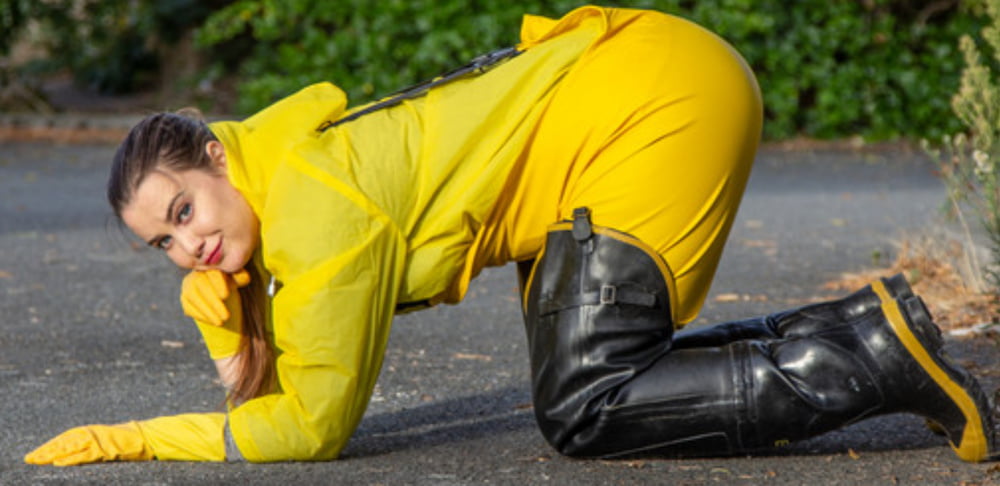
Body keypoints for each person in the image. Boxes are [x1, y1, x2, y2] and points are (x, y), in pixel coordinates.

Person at [25, 5, 997, 465]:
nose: (184, 247)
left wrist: (140, 437)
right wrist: (238, 315)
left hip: (645, 110)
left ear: (218, 160)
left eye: (183, 211)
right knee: (606, 376)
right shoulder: (287, 179)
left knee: (586, 403)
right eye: (161, 243)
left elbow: (310, 428)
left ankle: (873, 359)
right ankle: (874, 332)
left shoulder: (315, 215)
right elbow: (291, 366)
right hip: (632, 91)